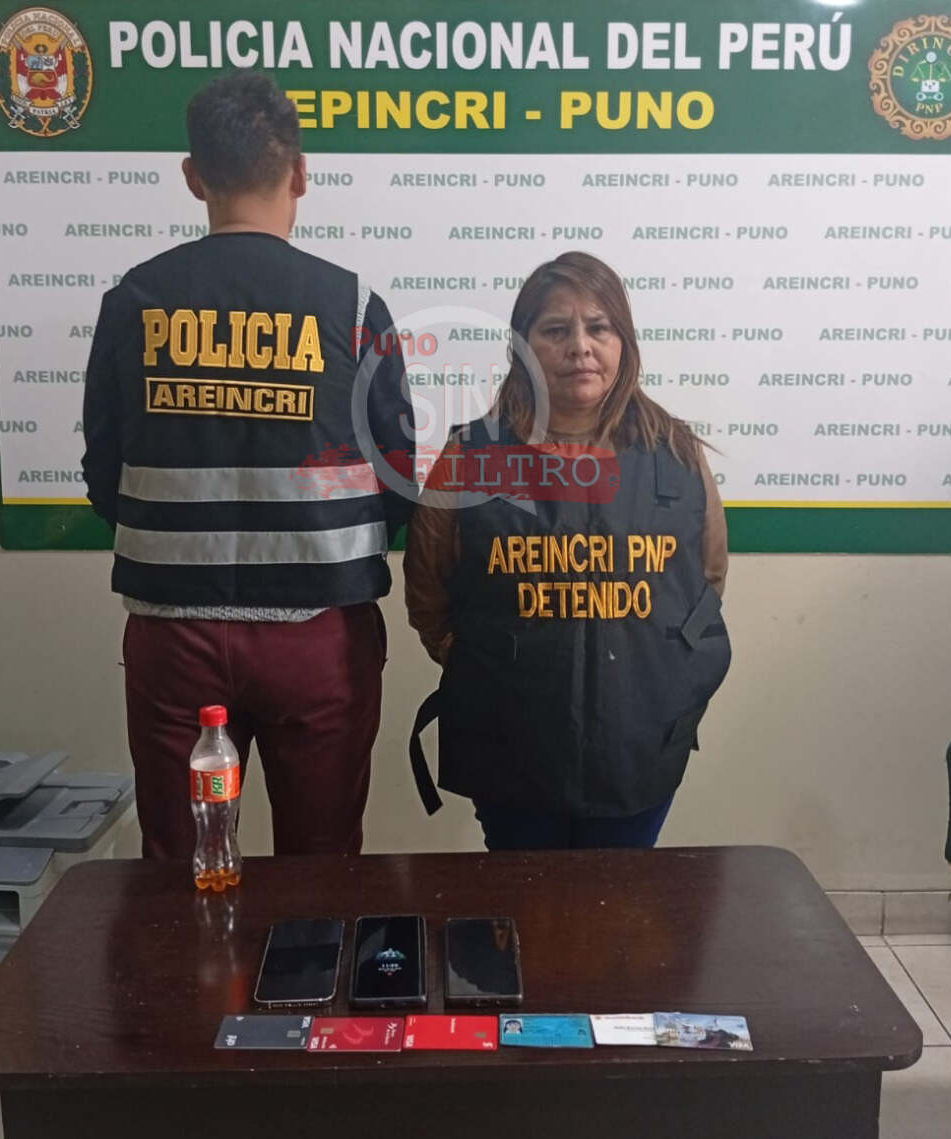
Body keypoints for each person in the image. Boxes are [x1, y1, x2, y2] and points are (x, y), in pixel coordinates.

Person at [82, 73, 413, 859]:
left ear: (193, 177)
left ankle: (187, 951)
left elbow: (103, 474)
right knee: (321, 868)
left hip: (173, 637)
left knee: (181, 870)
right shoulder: (353, 305)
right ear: (299, 173)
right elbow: (397, 479)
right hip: (320, 638)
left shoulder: (133, 300)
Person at [405, 252, 729, 850]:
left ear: (623, 340)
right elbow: (429, 593)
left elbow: (705, 584)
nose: (580, 346)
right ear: (523, 347)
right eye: (556, 329)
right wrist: (484, 668)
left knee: (619, 897)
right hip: (509, 751)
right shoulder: (470, 457)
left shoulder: (677, 454)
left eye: (598, 327)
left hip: (641, 750)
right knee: (522, 896)